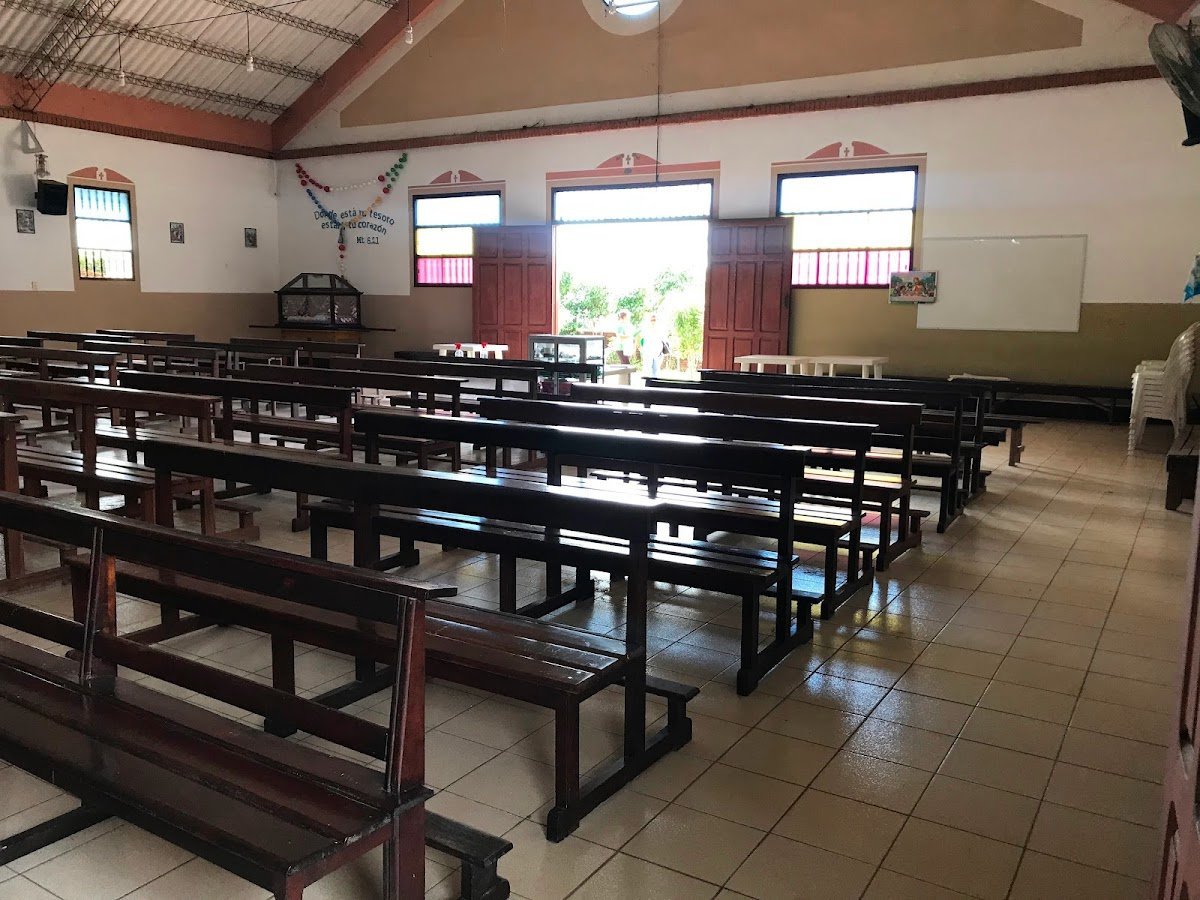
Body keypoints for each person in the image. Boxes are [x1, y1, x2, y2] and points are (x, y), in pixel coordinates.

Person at [640, 313, 667, 378]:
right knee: (647, 367)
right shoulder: (646, 328)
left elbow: (663, 340)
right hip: (648, 351)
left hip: (657, 351)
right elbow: (643, 340)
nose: (653, 321)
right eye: (652, 320)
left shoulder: (660, 328)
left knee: (656, 368)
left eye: (654, 320)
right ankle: (648, 382)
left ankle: (655, 381)